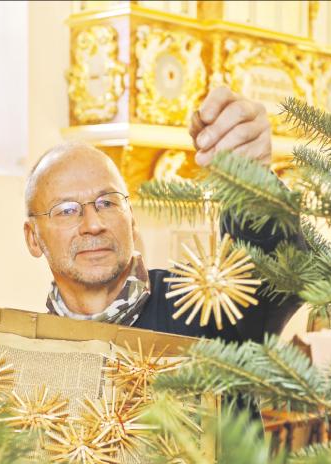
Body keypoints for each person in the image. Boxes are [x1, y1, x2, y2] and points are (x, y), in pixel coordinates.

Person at [24, 86, 302, 345]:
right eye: (68, 210)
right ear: (33, 238)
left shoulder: (205, 305)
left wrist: (252, 187)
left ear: (131, 219)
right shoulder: (21, 356)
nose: (94, 224)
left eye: (107, 203)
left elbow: (276, 279)